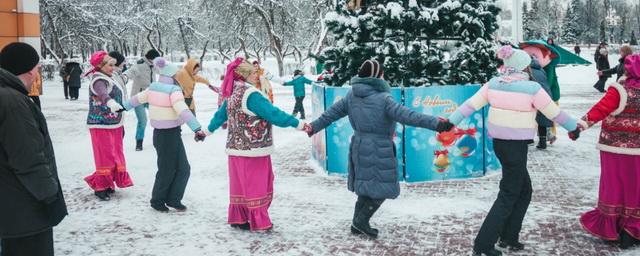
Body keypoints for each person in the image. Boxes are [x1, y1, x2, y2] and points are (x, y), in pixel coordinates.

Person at [447, 46, 584, 256]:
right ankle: (483, 245)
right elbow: (554, 112)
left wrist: (449, 122)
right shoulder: (532, 88)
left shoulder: (493, 84)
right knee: (509, 193)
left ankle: (509, 237)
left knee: (524, 190)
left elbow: (469, 105)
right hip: (516, 146)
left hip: (501, 144)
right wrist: (574, 127)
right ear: (524, 67)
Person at [306, 59, 455, 238]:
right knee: (382, 188)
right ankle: (360, 221)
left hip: (359, 145)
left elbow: (330, 114)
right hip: (379, 147)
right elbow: (410, 116)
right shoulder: (384, 99)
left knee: (366, 186)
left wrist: (313, 126)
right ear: (377, 76)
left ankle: (357, 224)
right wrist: (438, 124)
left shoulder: (351, 96)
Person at [204, 57, 307, 231]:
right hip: (254, 149)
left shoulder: (232, 91)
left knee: (240, 185)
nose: (256, 74)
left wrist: (206, 132)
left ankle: (239, 218)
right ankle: (259, 221)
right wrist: (299, 124)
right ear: (243, 75)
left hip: (236, 149)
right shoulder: (251, 94)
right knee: (257, 184)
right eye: (252, 72)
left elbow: (220, 116)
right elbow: (274, 114)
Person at [0, 42, 67, 256]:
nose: (38, 72)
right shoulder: (13, 102)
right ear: (30, 70)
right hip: (25, 208)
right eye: (38, 68)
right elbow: (29, 159)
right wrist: (50, 197)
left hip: (12, 205)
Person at [123, 57, 206, 212]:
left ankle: (173, 199)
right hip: (167, 135)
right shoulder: (173, 91)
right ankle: (157, 201)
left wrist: (121, 108)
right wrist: (197, 128)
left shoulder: (153, 87)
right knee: (167, 169)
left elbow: (135, 100)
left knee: (183, 168)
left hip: (168, 134)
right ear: (173, 76)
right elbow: (183, 109)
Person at [579, 54, 640, 249]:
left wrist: (580, 125)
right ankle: (632, 228)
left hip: (613, 148)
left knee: (613, 185)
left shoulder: (620, 89)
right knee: (635, 186)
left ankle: (612, 227)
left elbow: (601, 108)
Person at [83, 51, 133, 201]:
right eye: (110, 65)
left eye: (113, 65)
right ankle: (101, 187)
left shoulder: (109, 77)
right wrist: (111, 103)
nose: (113, 68)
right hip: (101, 124)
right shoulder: (98, 80)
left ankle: (108, 183)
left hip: (114, 123)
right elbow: (103, 94)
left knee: (114, 154)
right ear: (100, 65)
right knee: (104, 155)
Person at [123, 49, 160, 151]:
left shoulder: (154, 64)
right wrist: (124, 77)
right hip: (138, 97)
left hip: (150, 96)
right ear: (150, 58)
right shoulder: (140, 64)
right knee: (142, 121)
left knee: (158, 116)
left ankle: (160, 139)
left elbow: (162, 70)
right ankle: (139, 142)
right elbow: (131, 71)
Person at [528, 58, 553, 150]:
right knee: (542, 119)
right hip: (545, 94)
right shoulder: (541, 70)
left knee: (530, 118)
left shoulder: (527, 70)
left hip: (534, 95)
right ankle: (542, 142)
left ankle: (529, 139)